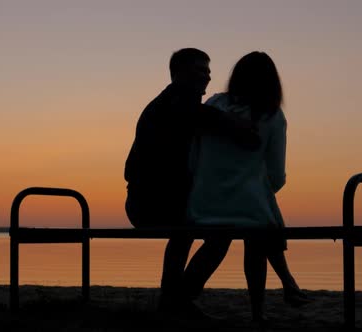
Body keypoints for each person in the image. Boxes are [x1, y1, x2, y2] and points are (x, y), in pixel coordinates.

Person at [124, 48, 259, 318]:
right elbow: (209, 119)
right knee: (220, 231)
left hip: (156, 201)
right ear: (179, 73)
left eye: (208, 70)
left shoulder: (174, 104)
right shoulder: (176, 101)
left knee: (190, 230)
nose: (208, 76)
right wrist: (243, 128)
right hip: (151, 203)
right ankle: (180, 298)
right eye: (200, 70)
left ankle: (173, 297)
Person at [187, 51, 308, 323]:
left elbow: (193, 157)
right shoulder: (272, 116)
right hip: (249, 209)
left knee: (245, 225)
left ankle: (287, 284)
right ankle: (259, 310)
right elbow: (277, 174)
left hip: (204, 202)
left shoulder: (214, 104)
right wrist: (257, 189)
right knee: (259, 227)